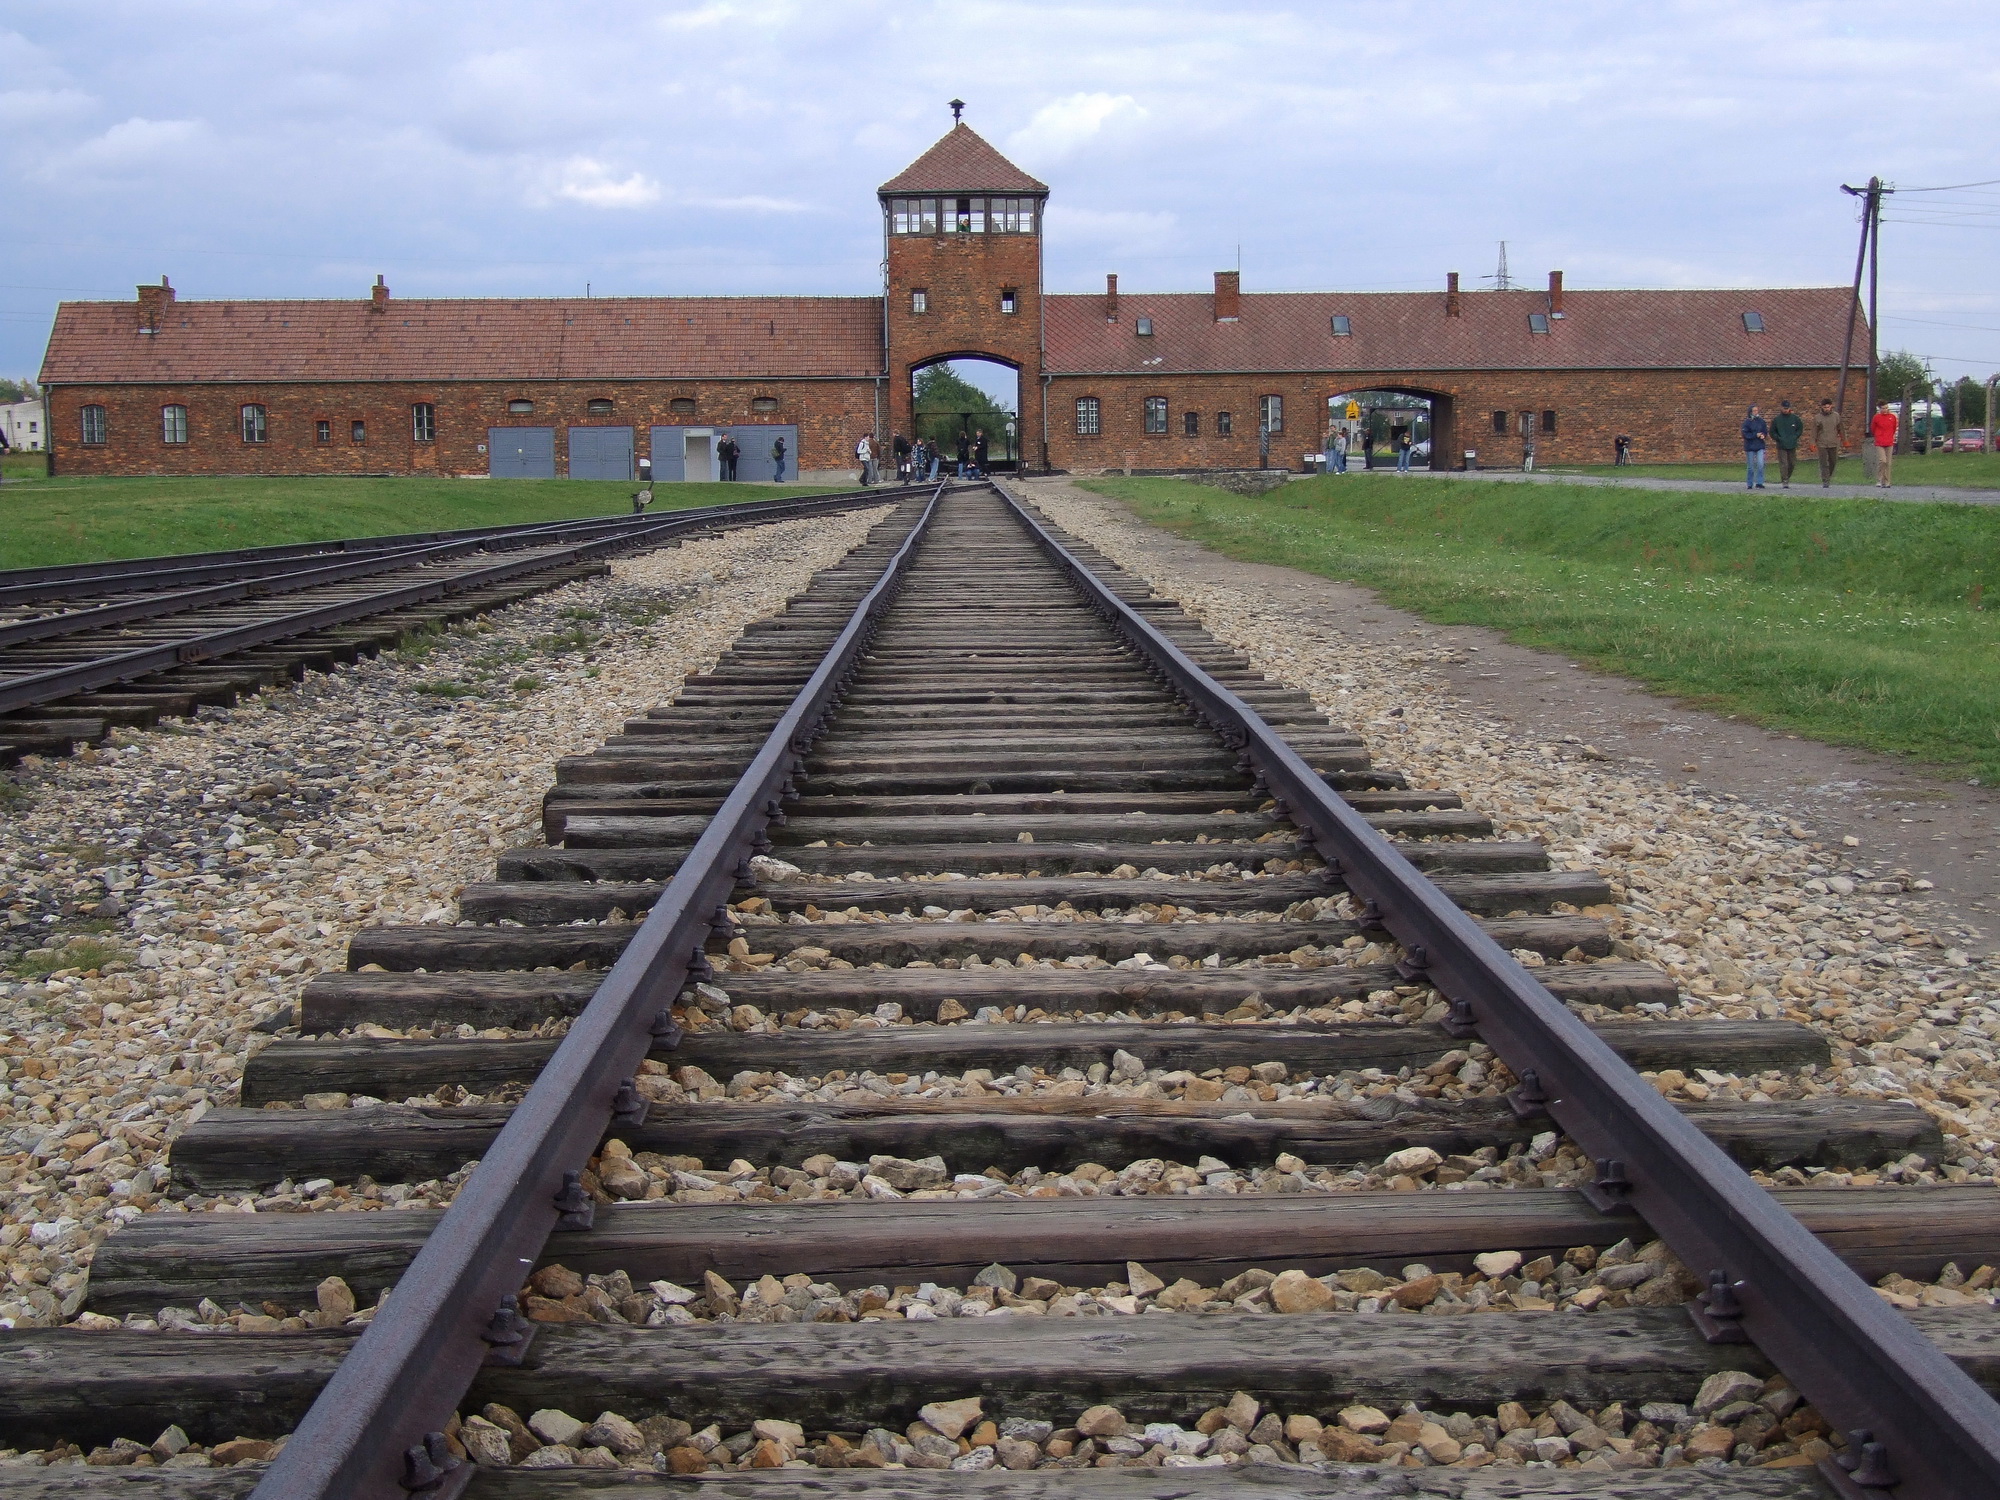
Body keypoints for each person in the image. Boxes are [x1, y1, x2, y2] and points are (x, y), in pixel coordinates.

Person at [1811, 399, 1844, 488]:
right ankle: (1825, 480)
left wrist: (1845, 440)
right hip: (1822, 443)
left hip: (1833, 442)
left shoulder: (1836, 416)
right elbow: (1814, 431)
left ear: (1831, 406)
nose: (1826, 409)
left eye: (1828, 407)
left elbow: (1841, 428)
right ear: (1822, 407)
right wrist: (1812, 443)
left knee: (1833, 461)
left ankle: (1828, 475)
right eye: (1825, 407)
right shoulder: (1817, 417)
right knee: (1824, 462)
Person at [1770, 400, 1803, 488]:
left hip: (1792, 444)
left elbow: (1800, 429)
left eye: (1787, 408)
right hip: (1781, 445)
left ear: (1789, 408)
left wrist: (1795, 436)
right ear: (1781, 408)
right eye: (1784, 408)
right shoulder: (1777, 420)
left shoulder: (1795, 419)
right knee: (1784, 463)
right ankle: (1785, 480)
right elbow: (1772, 432)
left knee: (1792, 463)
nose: (1785, 410)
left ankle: (1787, 476)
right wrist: (1778, 438)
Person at [1870, 403, 1899, 487]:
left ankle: (1887, 481)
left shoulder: (1892, 417)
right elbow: (1873, 428)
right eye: (1883, 408)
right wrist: (1878, 436)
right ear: (1880, 409)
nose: (1885, 410)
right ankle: (1879, 479)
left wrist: (1890, 437)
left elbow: (1894, 428)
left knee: (1888, 463)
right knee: (1883, 460)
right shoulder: (1876, 417)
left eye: (1886, 408)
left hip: (1889, 442)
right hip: (1880, 442)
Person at [1741, 404, 1769, 490]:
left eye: (1757, 410)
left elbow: (1765, 431)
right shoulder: (1746, 422)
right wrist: (1755, 435)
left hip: (1760, 445)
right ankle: (1750, 483)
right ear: (1750, 412)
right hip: (1750, 446)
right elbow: (1745, 434)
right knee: (1751, 466)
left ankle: (1759, 482)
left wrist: (1763, 435)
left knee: (1760, 464)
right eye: (1754, 411)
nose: (1756, 412)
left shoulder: (1761, 421)